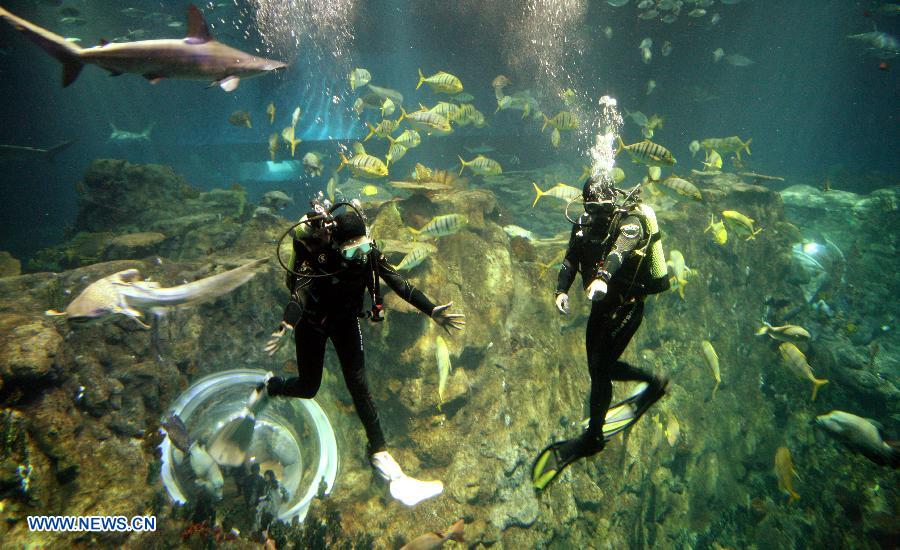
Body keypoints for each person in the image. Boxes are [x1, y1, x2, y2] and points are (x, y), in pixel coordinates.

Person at [261, 199, 465, 506]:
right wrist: (288, 323)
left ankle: (380, 452)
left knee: (359, 386)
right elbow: (299, 293)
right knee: (308, 387)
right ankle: (271, 386)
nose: (358, 257)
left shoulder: (368, 255)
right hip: (312, 324)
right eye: (351, 252)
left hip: (345, 322)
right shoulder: (317, 255)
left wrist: (431, 309)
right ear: (337, 245)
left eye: (363, 248)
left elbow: (399, 283)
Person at [532, 175, 671, 492]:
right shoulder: (582, 224)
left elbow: (619, 252)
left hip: (627, 305)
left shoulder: (630, 223)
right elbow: (570, 258)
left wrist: (603, 277)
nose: (596, 216)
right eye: (591, 209)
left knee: (603, 367)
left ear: (613, 204)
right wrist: (560, 290)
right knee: (596, 369)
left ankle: (650, 385)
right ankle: (596, 432)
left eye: (602, 209)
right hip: (601, 307)